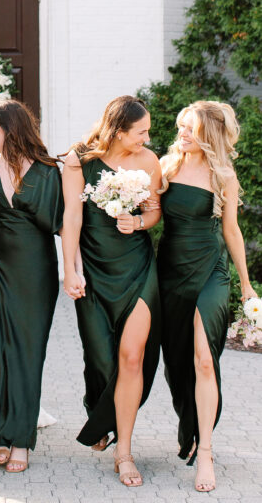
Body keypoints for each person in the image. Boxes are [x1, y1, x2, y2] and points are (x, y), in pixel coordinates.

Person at [61, 95, 162, 487]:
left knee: (132, 357)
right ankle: (99, 411)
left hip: (137, 267)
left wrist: (137, 222)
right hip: (95, 268)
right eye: (141, 132)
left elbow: (154, 211)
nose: (147, 137)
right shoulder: (79, 160)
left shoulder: (149, 161)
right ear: (119, 131)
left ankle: (125, 451)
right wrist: (68, 269)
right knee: (101, 358)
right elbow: (72, 215)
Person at [157, 100, 256, 493]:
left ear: (209, 134)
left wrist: (246, 284)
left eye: (190, 128)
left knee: (203, 359)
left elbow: (231, 230)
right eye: (181, 126)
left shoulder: (224, 176)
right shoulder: (168, 167)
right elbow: (150, 215)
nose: (181, 133)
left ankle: (208, 453)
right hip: (171, 272)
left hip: (211, 273)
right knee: (179, 360)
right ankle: (193, 429)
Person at [0, 99, 63, 474]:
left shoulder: (47, 172)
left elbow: (59, 222)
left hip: (34, 271)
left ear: (9, 128)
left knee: (26, 353)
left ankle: (20, 438)